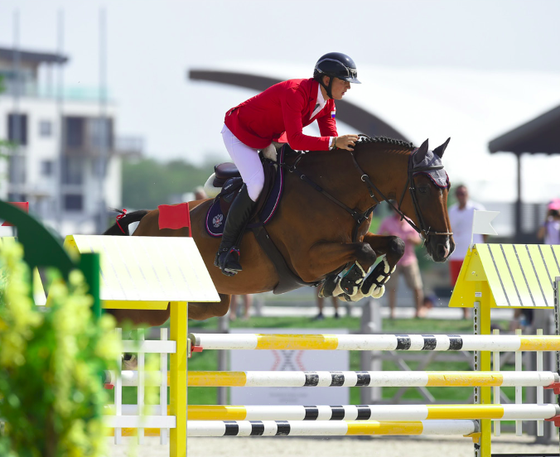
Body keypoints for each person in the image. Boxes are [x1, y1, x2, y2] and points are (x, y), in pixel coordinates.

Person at [214, 52, 361, 276]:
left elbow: (330, 136)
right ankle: (226, 250)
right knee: (256, 183)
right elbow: (297, 139)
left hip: (269, 137)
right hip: (240, 133)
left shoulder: (327, 101)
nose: (348, 88)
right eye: (344, 82)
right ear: (327, 80)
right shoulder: (295, 93)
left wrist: (348, 156)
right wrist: (334, 142)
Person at [378, 205, 425, 319]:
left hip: (409, 259)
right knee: (392, 287)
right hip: (393, 260)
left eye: (400, 207)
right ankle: (392, 312)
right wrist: (390, 238)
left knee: (417, 286)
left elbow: (419, 240)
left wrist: (411, 239)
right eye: (396, 207)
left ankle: (419, 311)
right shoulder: (387, 221)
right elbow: (378, 237)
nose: (398, 210)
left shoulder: (410, 222)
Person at [448, 184, 487, 318]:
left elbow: (485, 231)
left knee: (474, 283)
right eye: (459, 193)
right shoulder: (451, 210)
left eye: (463, 193)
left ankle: (475, 310)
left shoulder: (477, 208)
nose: (461, 196)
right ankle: (465, 311)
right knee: (458, 284)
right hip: (456, 254)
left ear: (468, 194)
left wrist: (480, 247)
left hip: (472, 253)